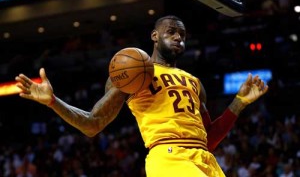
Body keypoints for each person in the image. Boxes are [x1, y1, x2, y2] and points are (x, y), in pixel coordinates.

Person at [15, 15, 268, 176]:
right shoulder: (131, 71)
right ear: (154, 36)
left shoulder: (194, 82)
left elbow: (209, 140)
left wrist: (240, 102)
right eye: (171, 31)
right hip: (168, 157)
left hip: (204, 159)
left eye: (182, 34)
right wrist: (53, 102)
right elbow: (93, 123)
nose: (178, 37)